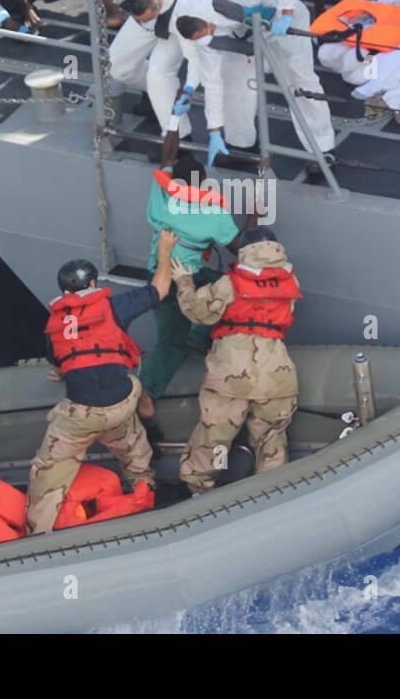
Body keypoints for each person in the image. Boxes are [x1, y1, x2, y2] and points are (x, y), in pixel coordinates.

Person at [26, 228, 179, 534]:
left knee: (46, 473)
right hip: (121, 405)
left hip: (81, 416)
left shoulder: (53, 326)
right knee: (137, 455)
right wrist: (165, 250)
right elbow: (160, 289)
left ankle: (35, 538)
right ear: (93, 283)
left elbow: (59, 366)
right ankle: (146, 499)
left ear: (64, 291)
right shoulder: (113, 307)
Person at [138, 124, 259, 436]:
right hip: (190, 276)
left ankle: (148, 393)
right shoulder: (213, 216)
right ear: (203, 182)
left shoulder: (161, 196)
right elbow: (242, 251)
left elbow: (167, 154)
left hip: (159, 274)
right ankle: (203, 337)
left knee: (168, 340)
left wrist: (174, 119)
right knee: (228, 290)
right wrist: (253, 216)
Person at [171, 225, 301, 493]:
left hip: (231, 376)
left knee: (217, 438)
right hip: (277, 375)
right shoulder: (291, 281)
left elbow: (198, 311)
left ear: (244, 251)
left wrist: (183, 280)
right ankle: (270, 494)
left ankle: (201, 490)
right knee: (271, 440)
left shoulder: (231, 283)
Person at [173, 0, 336, 165]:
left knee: (299, 81)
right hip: (243, 36)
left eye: (206, 33)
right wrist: (214, 130)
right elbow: (213, 83)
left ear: (208, 21)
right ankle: (240, 143)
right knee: (234, 84)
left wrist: (286, 15)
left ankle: (322, 148)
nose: (206, 38)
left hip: (281, 21)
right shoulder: (205, 38)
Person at [83, 0, 195, 139]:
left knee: (159, 75)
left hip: (175, 30)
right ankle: (157, 95)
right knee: (116, 65)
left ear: (158, 5)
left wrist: (189, 87)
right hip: (145, 21)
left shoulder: (187, 10)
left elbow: (195, 58)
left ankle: (179, 139)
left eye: (147, 17)